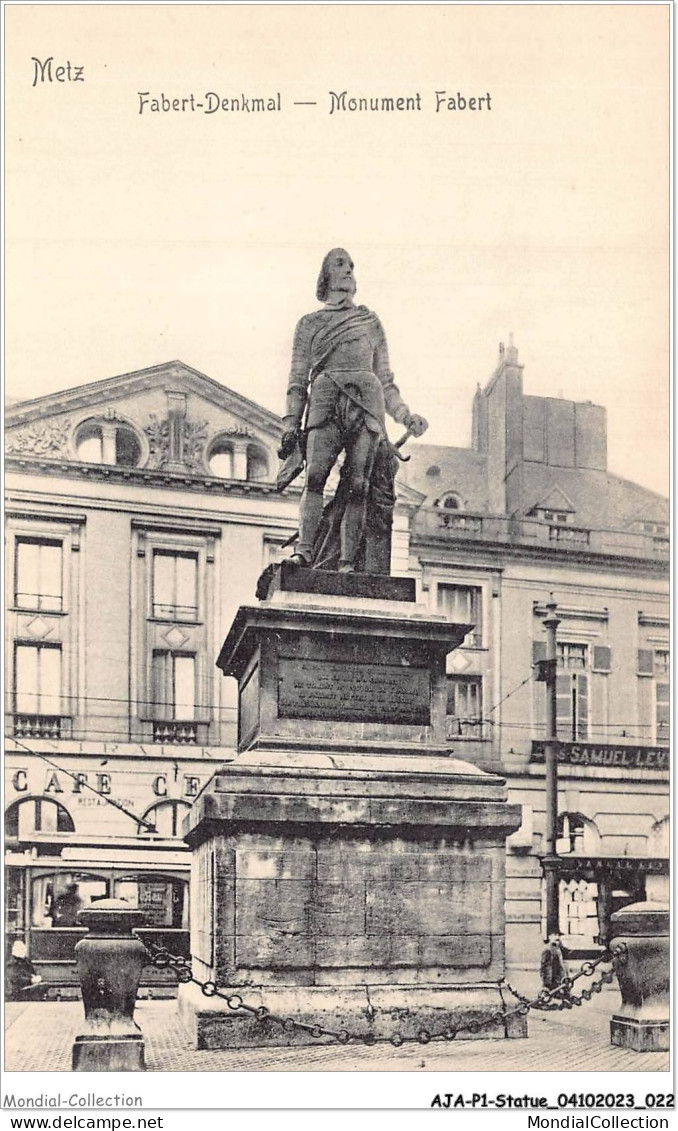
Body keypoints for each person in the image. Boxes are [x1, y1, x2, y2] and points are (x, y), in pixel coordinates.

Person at [277, 248, 428, 573]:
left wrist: (404, 414)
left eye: (351, 266)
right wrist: (290, 422)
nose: (348, 270)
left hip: (368, 402)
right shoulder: (309, 324)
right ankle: (304, 552)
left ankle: (347, 562)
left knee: (359, 484)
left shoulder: (370, 322)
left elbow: (386, 381)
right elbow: (297, 378)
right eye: (340, 264)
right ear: (326, 275)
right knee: (315, 477)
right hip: (325, 399)